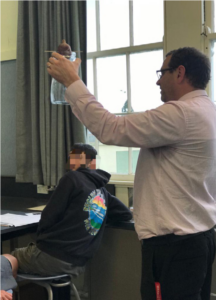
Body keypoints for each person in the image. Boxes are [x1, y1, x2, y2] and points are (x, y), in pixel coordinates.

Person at [47, 47, 216, 300]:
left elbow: (110, 128)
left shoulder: (181, 114)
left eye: (162, 72)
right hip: (199, 239)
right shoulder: (208, 110)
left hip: (174, 247)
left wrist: (72, 82)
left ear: (180, 73)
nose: (158, 80)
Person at [11, 143, 132, 279]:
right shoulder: (101, 189)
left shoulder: (71, 178)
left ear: (90, 161)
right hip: (77, 264)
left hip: (53, 256)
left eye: (75, 157)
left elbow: (49, 216)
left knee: (7, 259)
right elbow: (125, 213)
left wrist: (41, 239)